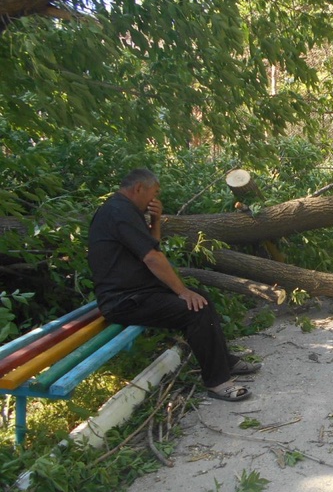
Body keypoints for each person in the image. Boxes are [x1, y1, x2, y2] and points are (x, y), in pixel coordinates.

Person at [88, 169, 258, 401]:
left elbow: (151, 246)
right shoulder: (119, 212)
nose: (154, 199)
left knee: (201, 298)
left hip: (139, 292)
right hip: (123, 301)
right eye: (153, 193)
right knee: (194, 309)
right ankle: (218, 383)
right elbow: (152, 258)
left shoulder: (124, 208)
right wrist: (182, 291)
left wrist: (156, 220)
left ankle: (224, 361)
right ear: (139, 188)